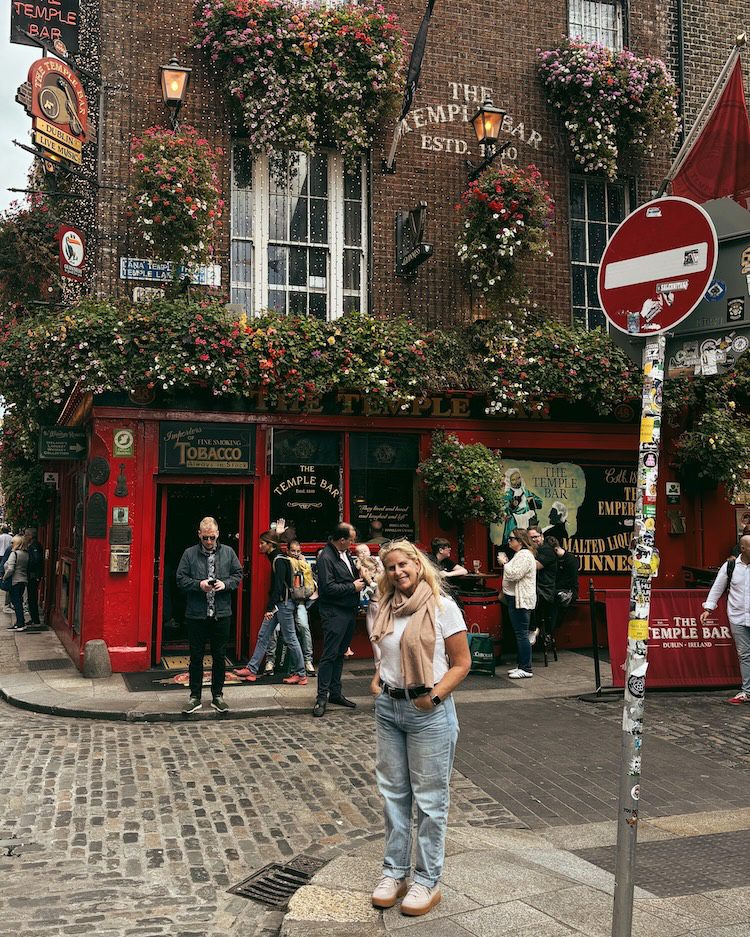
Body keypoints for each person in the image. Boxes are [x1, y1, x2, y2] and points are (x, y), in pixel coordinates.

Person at [368, 539, 470, 917]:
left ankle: (428, 880)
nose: (398, 572)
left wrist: (434, 697)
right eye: (391, 567)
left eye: (404, 565)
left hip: (428, 711)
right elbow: (386, 651)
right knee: (393, 795)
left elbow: (461, 663)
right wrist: (379, 679)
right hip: (389, 708)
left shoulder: (443, 608)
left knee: (429, 800)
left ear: (418, 563)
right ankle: (394, 873)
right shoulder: (384, 608)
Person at [176, 516, 243, 715]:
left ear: (218, 534)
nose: (209, 542)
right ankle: (194, 696)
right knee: (196, 656)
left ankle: (218, 696)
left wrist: (226, 584)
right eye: (205, 538)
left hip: (221, 613)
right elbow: (180, 579)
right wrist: (199, 585)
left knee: (219, 656)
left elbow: (238, 574)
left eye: (212, 538)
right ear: (199, 534)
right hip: (196, 614)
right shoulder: (189, 554)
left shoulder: (229, 552)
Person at [235, 531, 309, 686]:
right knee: (263, 635)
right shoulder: (275, 558)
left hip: (284, 605)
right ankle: (252, 669)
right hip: (279, 605)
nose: (260, 546)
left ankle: (301, 674)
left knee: (290, 638)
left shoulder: (279, 560)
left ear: (271, 545)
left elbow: (278, 586)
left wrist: (269, 607)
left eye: (263, 543)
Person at [313, 522, 364, 717]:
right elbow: (328, 588)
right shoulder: (326, 557)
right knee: (329, 654)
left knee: (340, 653)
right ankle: (321, 697)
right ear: (341, 539)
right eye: (351, 539)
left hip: (348, 611)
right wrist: (353, 587)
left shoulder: (345, 554)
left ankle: (335, 692)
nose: (353, 543)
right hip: (334, 612)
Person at [700, 533, 750, 704]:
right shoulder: (730, 566)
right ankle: (747, 691)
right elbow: (718, 587)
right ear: (742, 548)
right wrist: (708, 608)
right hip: (738, 617)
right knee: (744, 654)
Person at [263, 540, 317, 676]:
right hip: (285, 602)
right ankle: (270, 661)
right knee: (274, 629)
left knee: (304, 627)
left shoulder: (304, 564)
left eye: (298, 551)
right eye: (293, 551)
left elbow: (312, 585)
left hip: (299, 601)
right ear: (287, 551)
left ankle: (307, 660)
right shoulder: (283, 561)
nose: (296, 554)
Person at [497, 529, 537, 678]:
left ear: (520, 541)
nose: (509, 541)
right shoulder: (520, 555)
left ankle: (526, 668)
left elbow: (514, 574)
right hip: (515, 598)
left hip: (521, 600)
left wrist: (505, 563)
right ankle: (522, 665)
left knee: (522, 634)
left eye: (511, 538)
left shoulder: (525, 555)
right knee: (520, 634)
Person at [546, 535, 579, 648]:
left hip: (569, 591)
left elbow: (570, 582)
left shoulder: (571, 560)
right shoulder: (554, 559)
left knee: (555, 598)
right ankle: (546, 632)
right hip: (555, 590)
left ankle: (548, 632)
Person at [528, 526, 557, 648]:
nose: (534, 540)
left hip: (545, 590)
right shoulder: (532, 551)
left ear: (542, 536)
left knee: (531, 596)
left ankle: (533, 628)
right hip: (535, 587)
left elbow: (534, 566)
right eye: (530, 538)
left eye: (536, 537)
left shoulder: (547, 550)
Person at [355, 543, 384, 660]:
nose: (362, 554)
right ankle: (380, 668)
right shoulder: (360, 565)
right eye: (359, 552)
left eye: (364, 551)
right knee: (374, 638)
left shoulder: (378, 562)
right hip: (374, 604)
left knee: (383, 638)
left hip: (381, 604)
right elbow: (361, 571)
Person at [499, 468, 543, 544]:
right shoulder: (507, 495)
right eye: (513, 479)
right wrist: (512, 505)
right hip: (515, 522)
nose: (517, 481)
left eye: (518, 478)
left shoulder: (526, 492)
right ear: (509, 481)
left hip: (528, 521)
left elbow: (539, 503)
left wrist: (532, 501)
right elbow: (505, 510)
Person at [4, 533, 30, 633]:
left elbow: (10, 569)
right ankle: (20, 622)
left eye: (12, 542)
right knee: (19, 602)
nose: (11, 544)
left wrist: (4, 577)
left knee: (16, 603)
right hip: (23, 580)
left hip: (14, 581)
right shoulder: (25, 553)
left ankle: (20, 624)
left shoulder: (14, 554)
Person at [25, 527, 44, 628]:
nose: (25, 537)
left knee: (32, 597)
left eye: (26, 535)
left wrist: (28, 565)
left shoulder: (34, 546)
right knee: (31, 597)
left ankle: (35, 619)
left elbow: (36, 560)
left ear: (31, 536)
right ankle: (33, 618)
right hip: (33, 575)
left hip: (33, 575)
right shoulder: (33, 545)